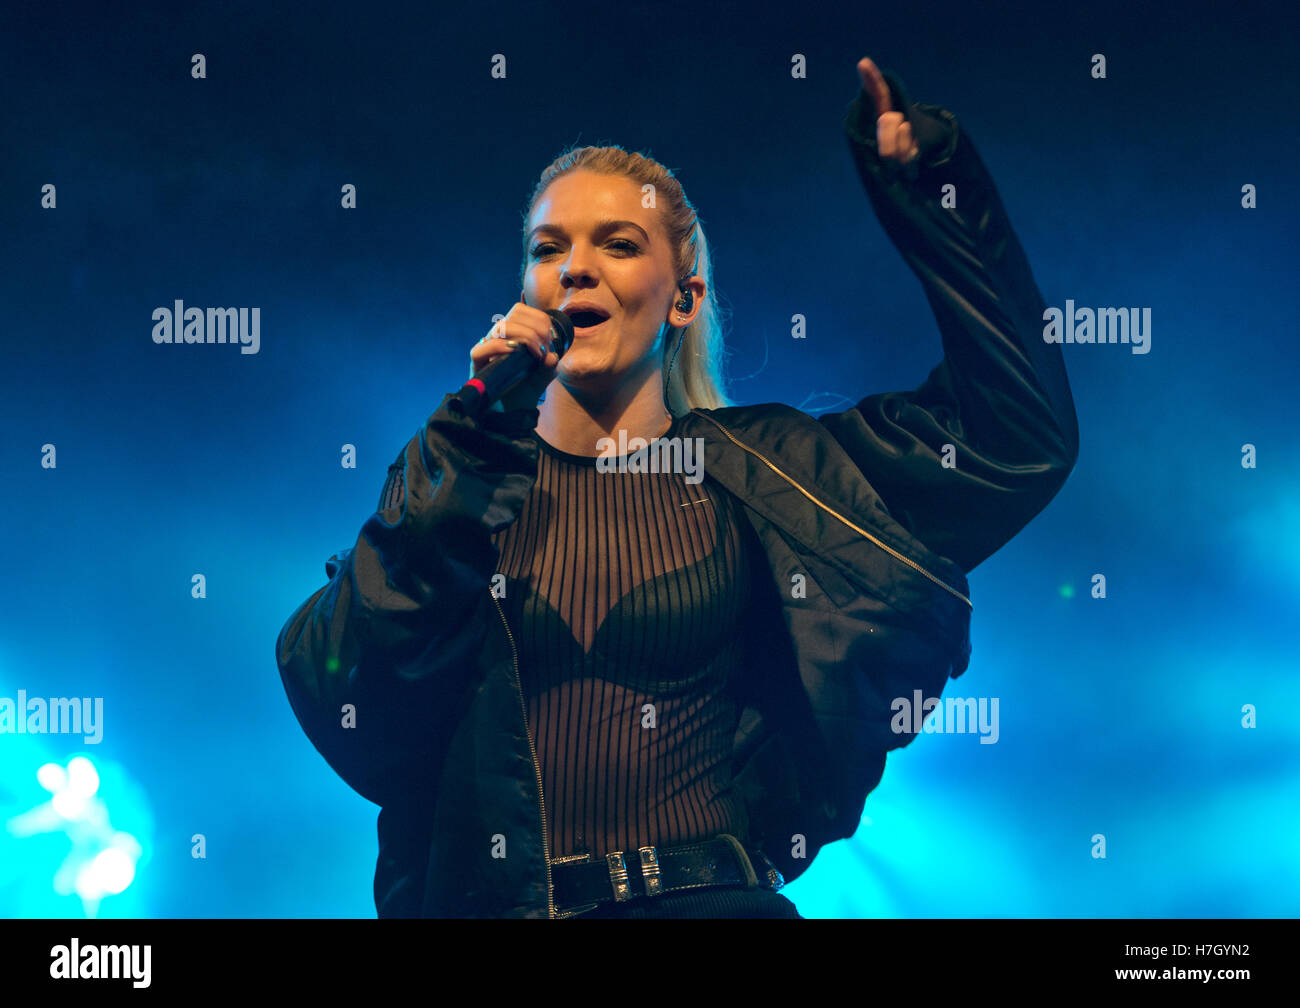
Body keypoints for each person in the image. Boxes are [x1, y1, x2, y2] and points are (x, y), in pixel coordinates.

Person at [275, 57, 1079, 919]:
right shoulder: (457, 480)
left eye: (617, 244)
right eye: (549, 250)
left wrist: (938, 197)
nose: (574, 269)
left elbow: (1015, 436)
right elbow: (340, 687)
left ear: (684, 298)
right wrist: (467, 435)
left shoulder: (775, 475)